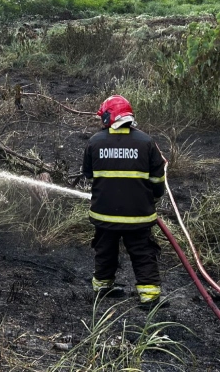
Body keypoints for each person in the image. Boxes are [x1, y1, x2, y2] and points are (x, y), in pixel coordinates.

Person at [82, 95, 166, 309]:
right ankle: (149, 297)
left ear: (109, 117)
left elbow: (89, 175)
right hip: (138, 215)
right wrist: (153, 198)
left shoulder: (95, 142)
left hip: (104, 214)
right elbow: (157, 180)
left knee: (105, 250)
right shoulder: (146, 142)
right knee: (143, 252)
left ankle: (102, 287)